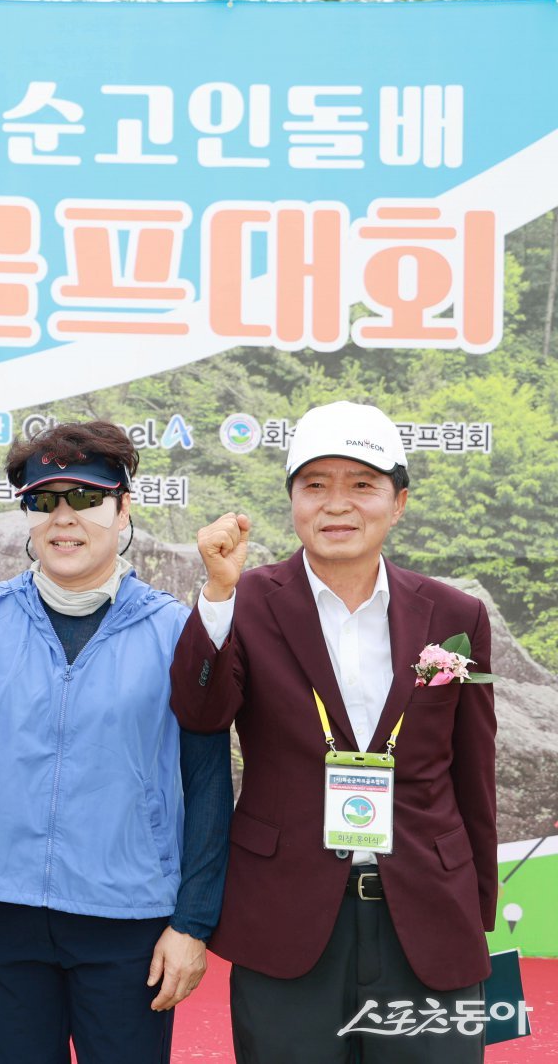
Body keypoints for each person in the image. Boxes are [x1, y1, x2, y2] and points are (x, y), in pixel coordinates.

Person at [170, 400, 497, 1063]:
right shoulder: (250, 601)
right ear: (292, 500)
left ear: (398, 502)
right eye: (315, 485)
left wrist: (476, 911)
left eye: (362, 485)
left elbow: (474, 774)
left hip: (428, 919)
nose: (337, 505)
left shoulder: (455, 615)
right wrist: (217, 596)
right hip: (286, 921)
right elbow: (199, 715)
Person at [0, 420, 232, 1063]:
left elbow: (208, 780)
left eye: (85, 499)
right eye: (43, 500)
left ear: (123, 507)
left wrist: (192, 922)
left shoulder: (174, 630)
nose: (64, 519)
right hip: (5, 909)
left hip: (128, 917)